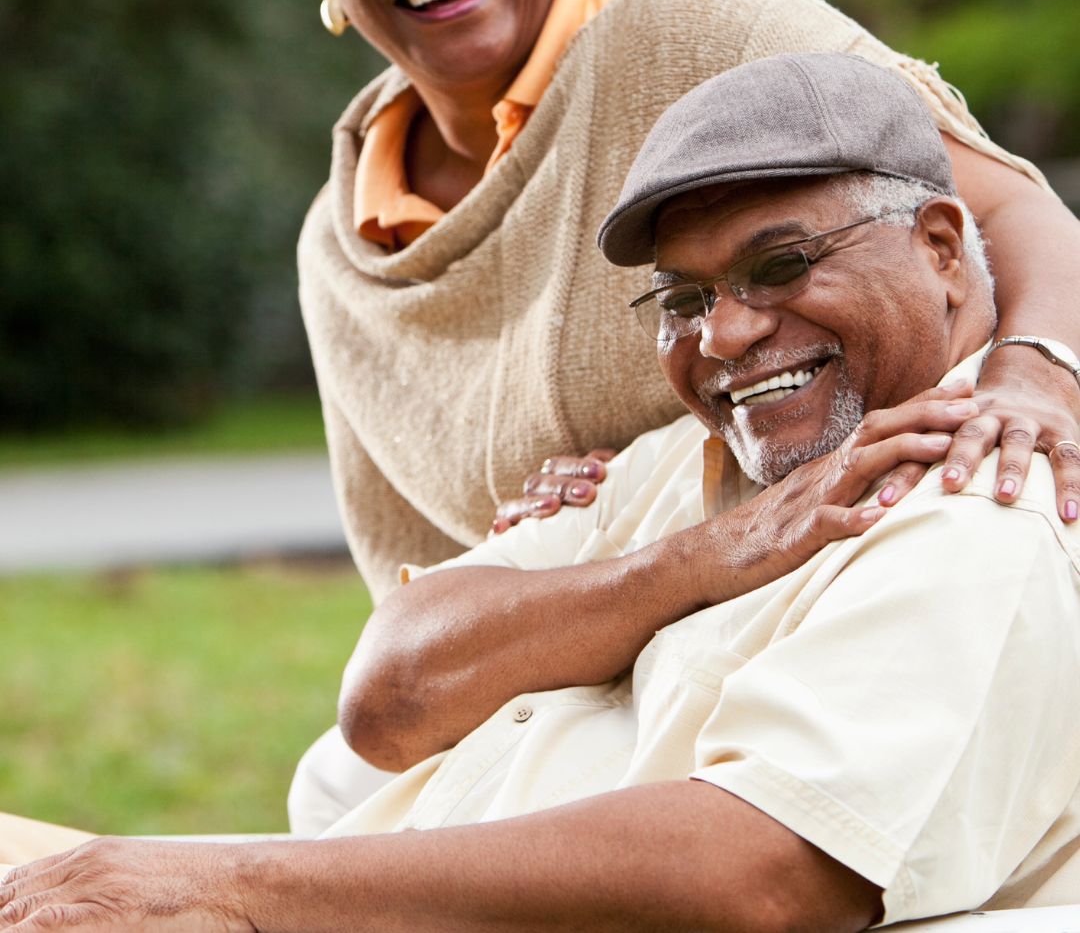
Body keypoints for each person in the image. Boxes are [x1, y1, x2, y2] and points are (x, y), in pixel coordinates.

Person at [3, 53, 1079, 931]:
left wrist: (231, 888)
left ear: (942, 248)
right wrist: (709, 558)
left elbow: (765, 876)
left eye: (783, 264)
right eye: (686, 297)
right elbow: (388, 696)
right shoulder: (693, 465)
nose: (730, 333)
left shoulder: (973, 490)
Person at [284, 0, 1080, 829]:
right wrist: (547, 549)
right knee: (338, 782)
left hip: (805, 587)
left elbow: (1004, 210)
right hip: (596, 617)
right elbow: (413, 587)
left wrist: (1035, 381)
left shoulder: (698, 37)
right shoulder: (344, 242)